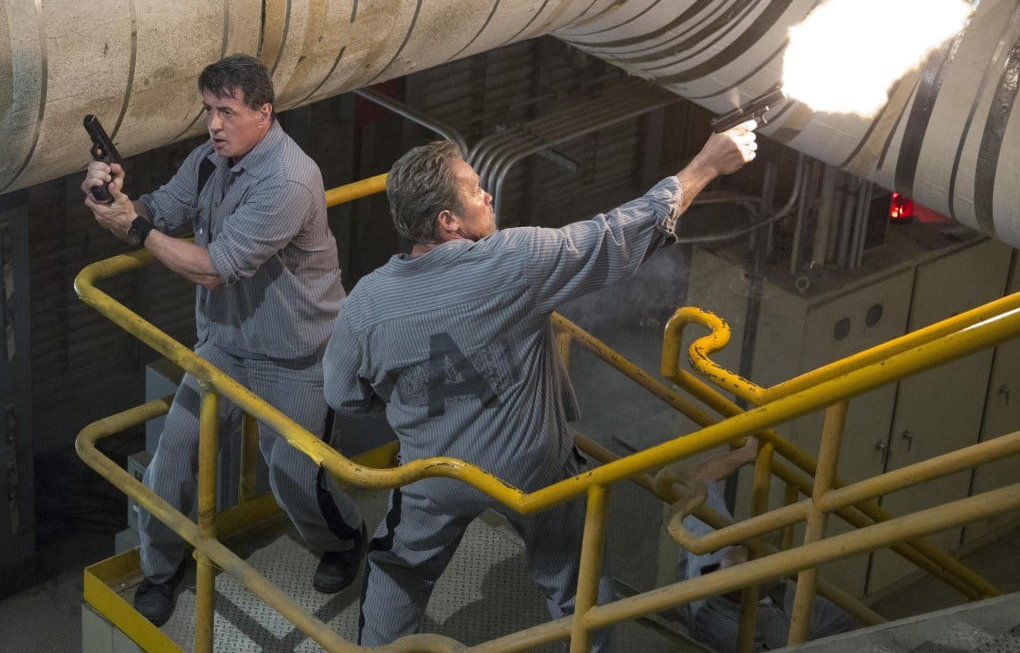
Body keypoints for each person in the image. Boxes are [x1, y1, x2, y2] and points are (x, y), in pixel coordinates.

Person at [321, 121, 757, 648]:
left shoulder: (367, 301)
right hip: (532, 467)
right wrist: (705, 166)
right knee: (578, 577)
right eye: (474, 189)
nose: (487, 194)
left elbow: (343, 395)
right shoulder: (514, 260)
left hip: (433, 474)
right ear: (448, 222)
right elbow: (616, 235)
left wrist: (409, 405)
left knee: (398, 567)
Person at [81, 53, 365, 626]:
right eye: (209, 109)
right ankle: (161, 572)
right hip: (226, 346)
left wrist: (136, 229)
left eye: (227, 112)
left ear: (264, 113)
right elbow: (161, 211)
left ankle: (344, 541)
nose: (213, 124)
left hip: (300, 357)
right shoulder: (211, 159)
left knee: (293, 477)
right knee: (170, 463)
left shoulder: (288, 179)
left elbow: (215, 269)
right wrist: (116, 201)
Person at [677, 437, 857, 652]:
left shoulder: (712, 543)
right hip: (756, 627)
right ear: (754, 597)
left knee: (842, 622)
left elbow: (699, 478)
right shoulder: (727, 630)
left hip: (764, 602)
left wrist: (747, 452)